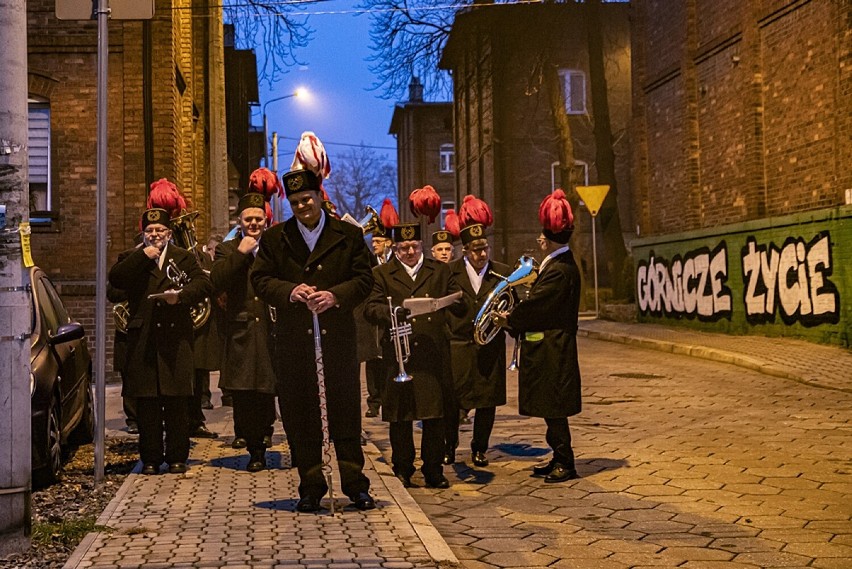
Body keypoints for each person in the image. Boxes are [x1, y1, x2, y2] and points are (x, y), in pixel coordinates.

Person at [251, 168, 376, 512]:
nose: (301, 206)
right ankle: (310, 485)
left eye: (306, 199)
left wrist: (335, 296)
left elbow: (364, 279)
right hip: (294, 343)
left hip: (336, 340)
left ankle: (355, 483)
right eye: (294, 202)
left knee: (345, 414)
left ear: (320, 196)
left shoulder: (348, 235)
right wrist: (290, 291)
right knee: (300, 413)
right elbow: (260, 279)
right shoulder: (276, 238)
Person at [108, 207, 212, 475]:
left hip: (175, 338)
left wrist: (181, 296)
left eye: (160, 231)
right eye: (149, 231)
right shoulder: (132, 257)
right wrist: (143, 256)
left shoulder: (182, 258)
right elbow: (115, 282)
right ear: (143, 234)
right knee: (147, 405)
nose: (155, 235)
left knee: (177, 402)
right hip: (143, 340)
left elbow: (203, 284)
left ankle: (177, 456)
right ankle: (151, 457)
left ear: (169, 233)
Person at [364, 222, 462, 489]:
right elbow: (370, 308)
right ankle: (402, 467)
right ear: (395, 248)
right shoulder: (382, 273)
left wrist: (455, 302)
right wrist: (393, 312)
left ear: (422, 247)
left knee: (434, 415)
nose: (409, 252)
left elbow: (456, 296)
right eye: (403, 247)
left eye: (414, 247)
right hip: (399, 356)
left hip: (432, 353)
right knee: (401, 416)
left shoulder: (439, 270)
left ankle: (433, 470)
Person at [494, 189, 582, 483]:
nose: (539, 239)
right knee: (549, 405)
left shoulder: (560, 269)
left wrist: (510, 318)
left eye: (543, 235)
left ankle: (565, 461)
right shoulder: (558, 264)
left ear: (552, 238)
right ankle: (558, 456)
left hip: (554, 349)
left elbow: (538, 304)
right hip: (549, 348)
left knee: (555, 407)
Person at [211, 192, 277, 472]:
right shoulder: (228, 250)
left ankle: (266, 432)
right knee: (245, 393)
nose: (254, 223)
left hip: (271, 329)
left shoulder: (275, 246)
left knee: (267, 390)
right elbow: (217, 280)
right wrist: (241, 253)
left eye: (258, 219)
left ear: (266, 220)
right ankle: (255, 450)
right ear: (239, 221)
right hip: (241, 330)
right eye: (248, 219)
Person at [446, 223, 511, 467]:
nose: (482, 255)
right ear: (464, 251)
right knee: (453, 400)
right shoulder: (450, 273)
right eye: (476, 250)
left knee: (487, 400)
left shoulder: (501, 273)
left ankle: (479, 448)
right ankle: (449, 446)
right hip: (459, 345)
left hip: (489, 348)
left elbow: (512, 303)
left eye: (484, 249)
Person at [362, 227, 393, 418]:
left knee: (389, 357)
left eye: (378, 242)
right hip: (375, 313)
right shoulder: (372, 261)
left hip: (391, 313)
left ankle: (388, 396)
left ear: (388, 243)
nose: (374, 245)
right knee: (373, 358)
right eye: (373, 242)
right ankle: (374, 401)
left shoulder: (394, 260)